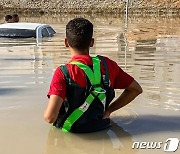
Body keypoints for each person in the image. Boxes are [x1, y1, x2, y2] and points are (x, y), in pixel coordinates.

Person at [44, 18, 142, 133]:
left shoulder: (63, 73)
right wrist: (109, 111)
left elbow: (50, 117)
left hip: (72, 134)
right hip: (102, 129)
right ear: (92, 42)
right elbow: (136, 89)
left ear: (66, 42)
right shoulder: (108, 65)